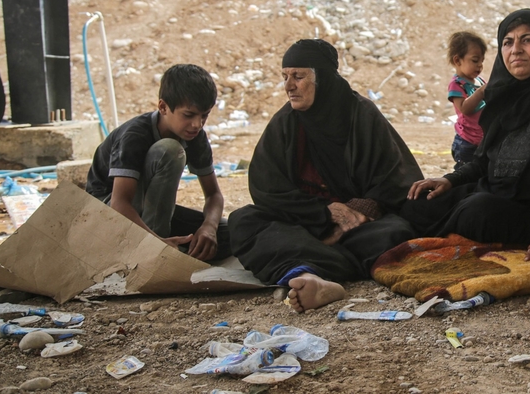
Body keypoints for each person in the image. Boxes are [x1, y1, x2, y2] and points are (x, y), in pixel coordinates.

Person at [228, 39, 423, 312]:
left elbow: (396, 178)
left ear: (323, 79)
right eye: (285, 77)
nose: (289, 86)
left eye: (298, 77)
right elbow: (267, 189)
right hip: (304, 222)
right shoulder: (284, 123)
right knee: (243, 220)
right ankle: (318, 273)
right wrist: (324, 213)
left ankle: (310, 268)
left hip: (355, 228)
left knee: (395, 231)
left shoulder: (361, 115)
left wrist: (361, 209)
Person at [402, 9, 530, 262]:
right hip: (497, 194)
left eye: (527, 40)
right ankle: (444, 229)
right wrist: (450, 180)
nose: (516, 50)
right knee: (417, 201)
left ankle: (441, 234)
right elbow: (484, 161)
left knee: (477, 211)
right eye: (508, 42)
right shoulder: (507, 94)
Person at [85, 64, 228, 261]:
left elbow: (213, 195)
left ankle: (163, 249)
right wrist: (156, 242)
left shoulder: (196, 136)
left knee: (228, 233)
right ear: (163, 107)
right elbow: (119, 203)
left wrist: (209, 228)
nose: (197, 124)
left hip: (147, 214)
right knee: (170, 150)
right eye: (188, 115)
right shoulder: (134, 135)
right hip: (106, 213)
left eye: (204, 115)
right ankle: (153, 256)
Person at [446, 31, 488, 170]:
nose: (480, 65)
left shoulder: (480, 81)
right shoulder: (457, 84)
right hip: (467, 142)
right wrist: (481, 92)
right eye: (475, 60)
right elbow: (464, 108)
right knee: (465, 173)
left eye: (482, 61)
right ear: (458, 61)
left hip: (482, 139)